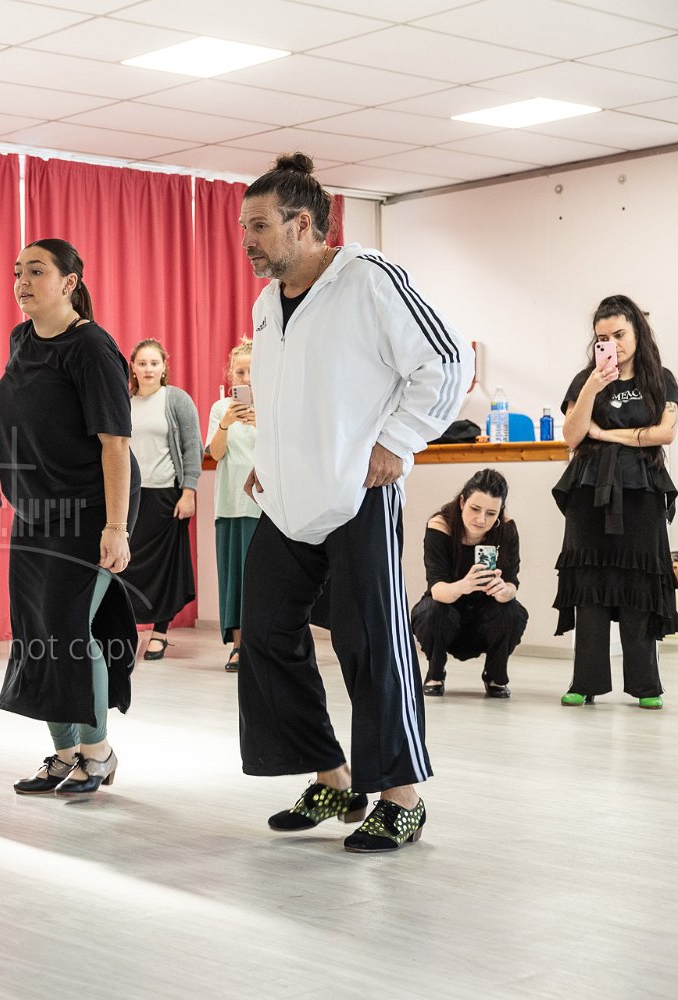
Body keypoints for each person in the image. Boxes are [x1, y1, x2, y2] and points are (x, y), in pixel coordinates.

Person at [236, 154, 471, 853]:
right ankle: (333, 777)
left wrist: (398, 441)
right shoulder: (266, 304)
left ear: (303, 223)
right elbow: (290, 394)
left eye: (258, 226)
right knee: (266, 637)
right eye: (244, 227)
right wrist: (268, 459)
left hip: (358, 493)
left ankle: (401, 797)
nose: (247, 240)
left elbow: (447, 361)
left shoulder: (367, 279)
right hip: (287, 501)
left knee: (369, 642)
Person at [0, 238, 138, 797]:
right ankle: (63, 753)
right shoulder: (22, 339)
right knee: (36, 632)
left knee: (68, 628)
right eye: (18, 272)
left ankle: (97, 753)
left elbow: (115, 444)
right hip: (35, 508)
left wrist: (116, 528)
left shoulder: (91, 348)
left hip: (90, 509)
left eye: (36, 271)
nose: (22, 282)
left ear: (70, 282)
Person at [553, 295, 678, 710]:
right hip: (589, 490)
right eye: (602, 338)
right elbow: (573, 436)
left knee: (639, 584)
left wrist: (605, 434)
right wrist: (593, 385)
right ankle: (584, 682)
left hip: (641, 490)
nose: (613, 344)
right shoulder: (584, 380)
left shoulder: (661, 379)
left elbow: (664, 434)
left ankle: (645, 685)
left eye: (620, 334)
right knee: (589, 584)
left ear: (637, 331)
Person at [410, 469, 528, 698]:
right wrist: (465, 585)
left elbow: (512, 582)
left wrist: (504, 591)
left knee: (513, 612)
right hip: (446, 611)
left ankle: (495, 675)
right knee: (431, 611)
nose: (481, 519)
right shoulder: (440, 525)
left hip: (485, 615)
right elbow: (437, 588)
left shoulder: (506, 529)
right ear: (462, 502)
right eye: (475, 509)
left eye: (491, 513)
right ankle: (435, 673)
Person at [124, 339, 199, 662]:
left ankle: (160, 633)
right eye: (142, 363)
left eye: (154, 363)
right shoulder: (124, 401)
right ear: (133, 367)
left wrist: (189, 491)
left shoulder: (176, 400)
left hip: (166, 496)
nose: (148, 369)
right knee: (126, 565)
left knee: (164, 569)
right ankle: (125, 631)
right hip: (130, 496)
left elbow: (192, 447)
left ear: (164, 366)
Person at [205, 340, 259, 672]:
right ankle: (239, 646)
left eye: (252, 371)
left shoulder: (272, 405)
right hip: (229, 504)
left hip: (264, 507)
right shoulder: (220, 408)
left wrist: (259, 424)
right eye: (240, 372)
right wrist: (226, 423)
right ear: (231, 375)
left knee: (261, 577)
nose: (246, 377)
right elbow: (216, 453)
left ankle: (262, 645)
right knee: (233, 578)